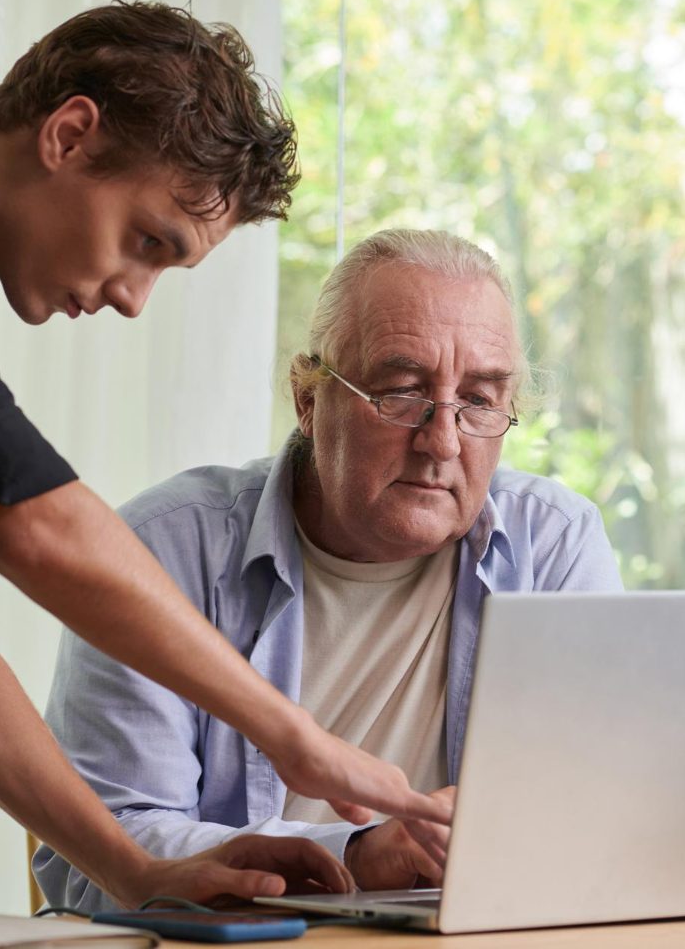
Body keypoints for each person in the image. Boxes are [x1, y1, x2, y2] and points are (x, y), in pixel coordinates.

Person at [0, 0, 446, 908]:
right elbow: (31, 520)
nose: (136, 298)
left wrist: (134, 871)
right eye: (147, 242)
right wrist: (297, 738)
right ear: (69, 134)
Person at [34, 229, 623, 910]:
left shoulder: (553, 544)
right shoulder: (159, 550)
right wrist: (359, 857)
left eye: (481, 402)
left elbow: (597, 808)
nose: (442, 440)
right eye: (401, 391)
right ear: (308, 399)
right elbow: (100, 854)